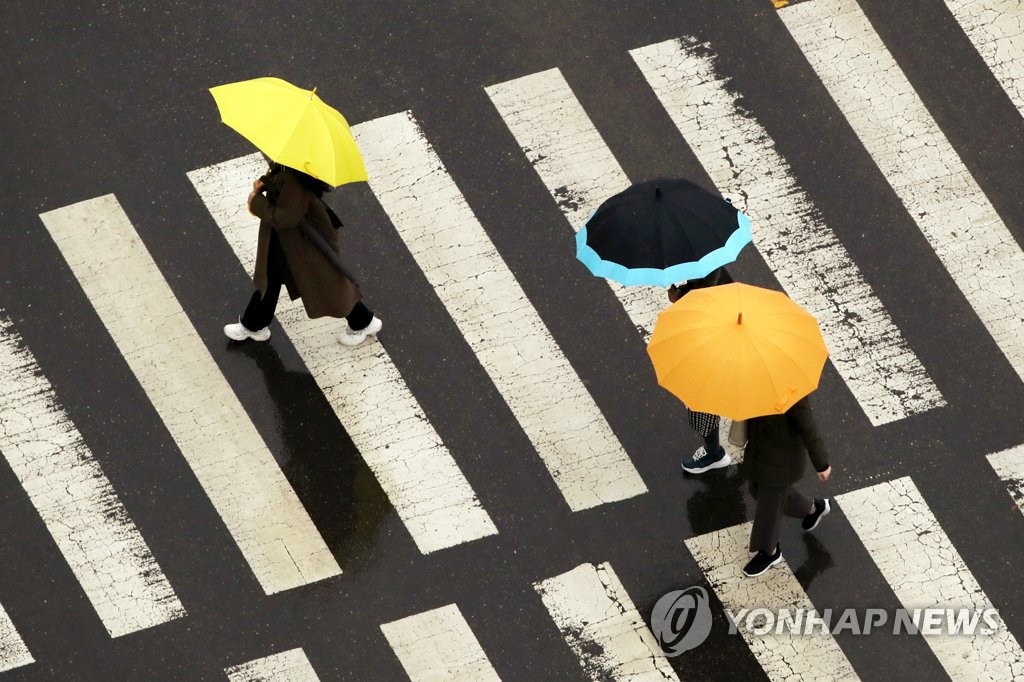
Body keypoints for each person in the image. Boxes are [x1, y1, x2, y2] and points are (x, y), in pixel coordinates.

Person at [223, 161, 382, 346]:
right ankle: (253, 325)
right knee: (271, 278)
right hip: (288, 239)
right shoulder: (294, 166)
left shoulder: (296, 180)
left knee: (329, 282)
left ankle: (363, 322)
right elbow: (280, 183)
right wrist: (264, 182)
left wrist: (256, 201)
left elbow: (285, 217)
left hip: (304, 242)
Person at [740, 395, 832, 577]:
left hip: (782, 460)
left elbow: (808, 427)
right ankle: (813, 508)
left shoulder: (792, 392)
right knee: (757, 489)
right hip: (761, 451)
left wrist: (821, 463)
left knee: (769, 505)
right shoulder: (755, 381)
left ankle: (769, 551)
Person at [669, 267, 733, 474]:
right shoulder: (715, 274)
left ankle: (714, 453)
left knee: (702, 403)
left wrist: (679, 302)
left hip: (710, 354)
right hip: (723, 346)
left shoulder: (707, 296)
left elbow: (697, 321)